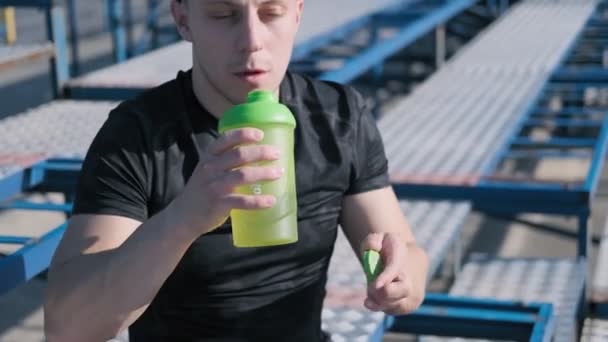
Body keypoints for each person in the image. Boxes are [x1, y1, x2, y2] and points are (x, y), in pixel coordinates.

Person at [43, 0, 429, 341]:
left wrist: (398, 279)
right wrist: (183, 219)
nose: (251, 40)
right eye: (223, 13)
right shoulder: (138, 135)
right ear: (183, 19)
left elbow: (407, 258)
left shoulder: (339, 117)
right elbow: (67, 326)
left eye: (271, 12)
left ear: (297, 12)